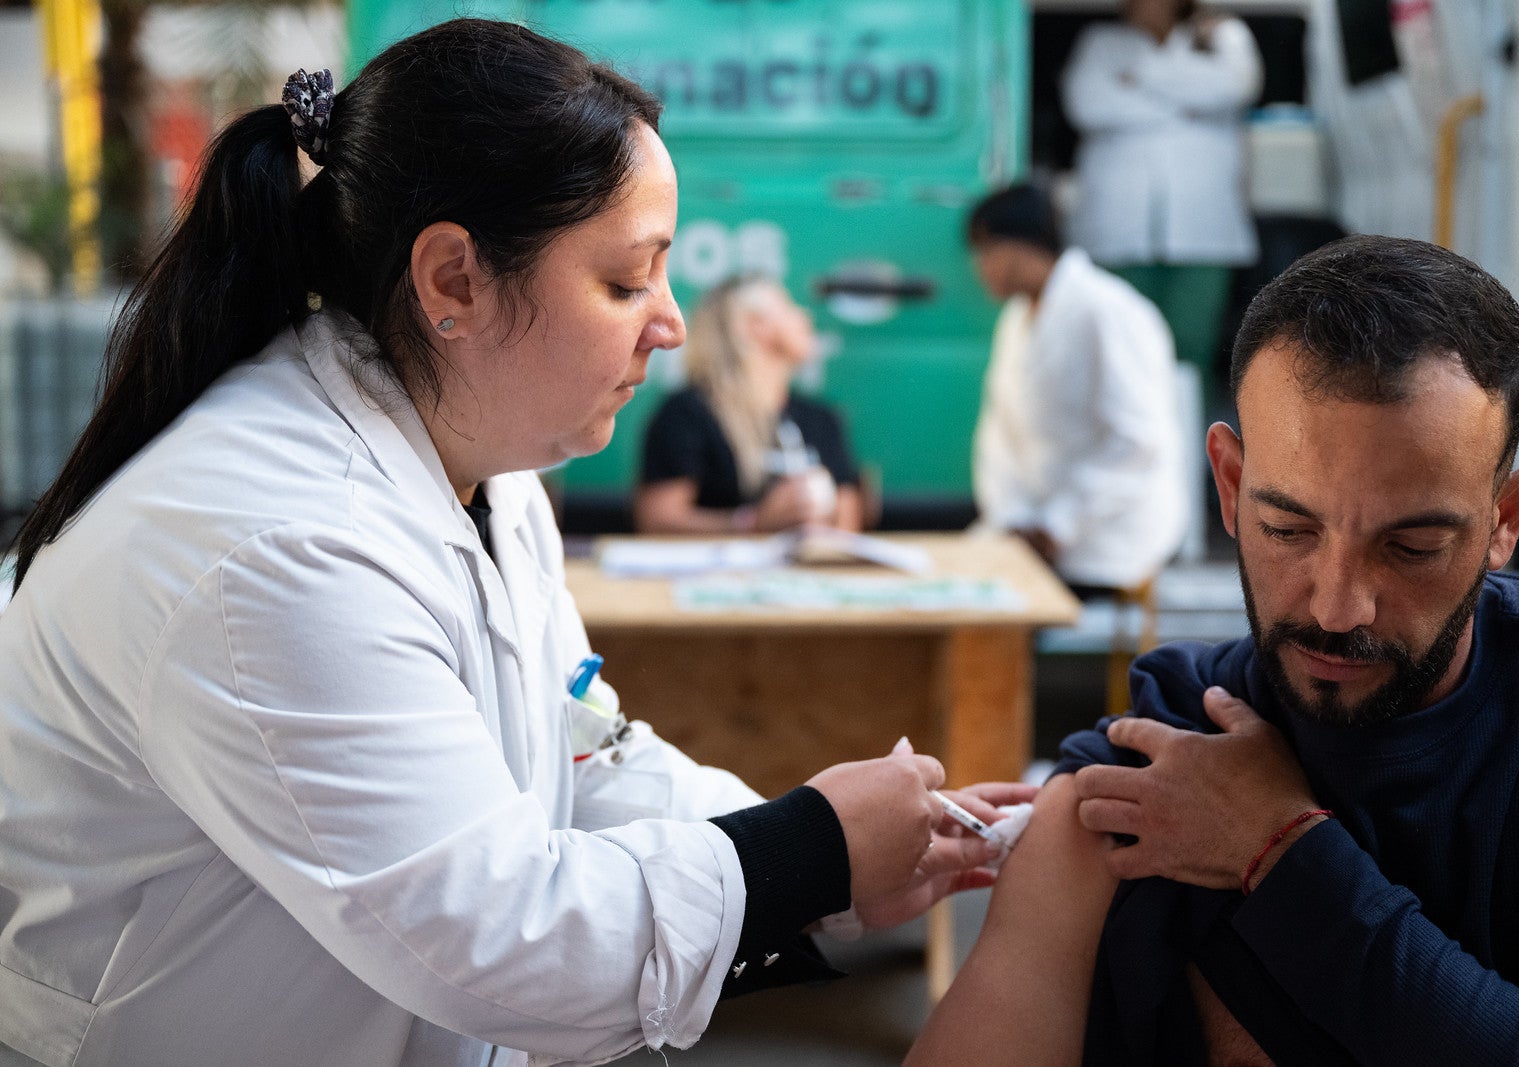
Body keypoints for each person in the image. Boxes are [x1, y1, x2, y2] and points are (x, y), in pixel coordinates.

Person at [0, 21, 1030, 1067]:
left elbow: (575, 746)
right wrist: (805, 851)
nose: (669, 323)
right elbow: (498, 934)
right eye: (628, 281)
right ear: (453, 278)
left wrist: (830, 866)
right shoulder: (283, 545)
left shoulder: (487, 464)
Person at [906, 235, 1519, 1065]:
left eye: (1412, 546)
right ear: (1229, 486)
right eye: (1288, 529)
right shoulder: (1148, 767)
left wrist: (1281, 847)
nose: (1339, 605)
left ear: (1508, 517)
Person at [965, 182, 1187, 598]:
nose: (980, 268)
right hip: (1029, 532)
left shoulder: (1109, 311)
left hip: (1107, 539)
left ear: (1018, 246)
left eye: (984, 252)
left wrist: (1057, 526)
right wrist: (1016, 519)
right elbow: (998, 436)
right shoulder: (1015, 319)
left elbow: (1137, 442)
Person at [1062, 0, 1262, 402]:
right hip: (1116, 232)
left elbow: (1235, 87)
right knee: (1116, 352)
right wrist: (1187, 108)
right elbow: (1087, 105)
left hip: (1202, 231)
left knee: (1190, 351)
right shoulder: (1101, 42)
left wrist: (1139, 78)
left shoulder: (1222, 36)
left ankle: (1187, 458)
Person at [635, 275, 864, 534]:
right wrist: (753, 522)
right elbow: (658, 520)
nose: (805, 316)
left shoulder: (820, 418)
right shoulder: (688, 414)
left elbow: (848, 522)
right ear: (756, 326)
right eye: (789, 307)